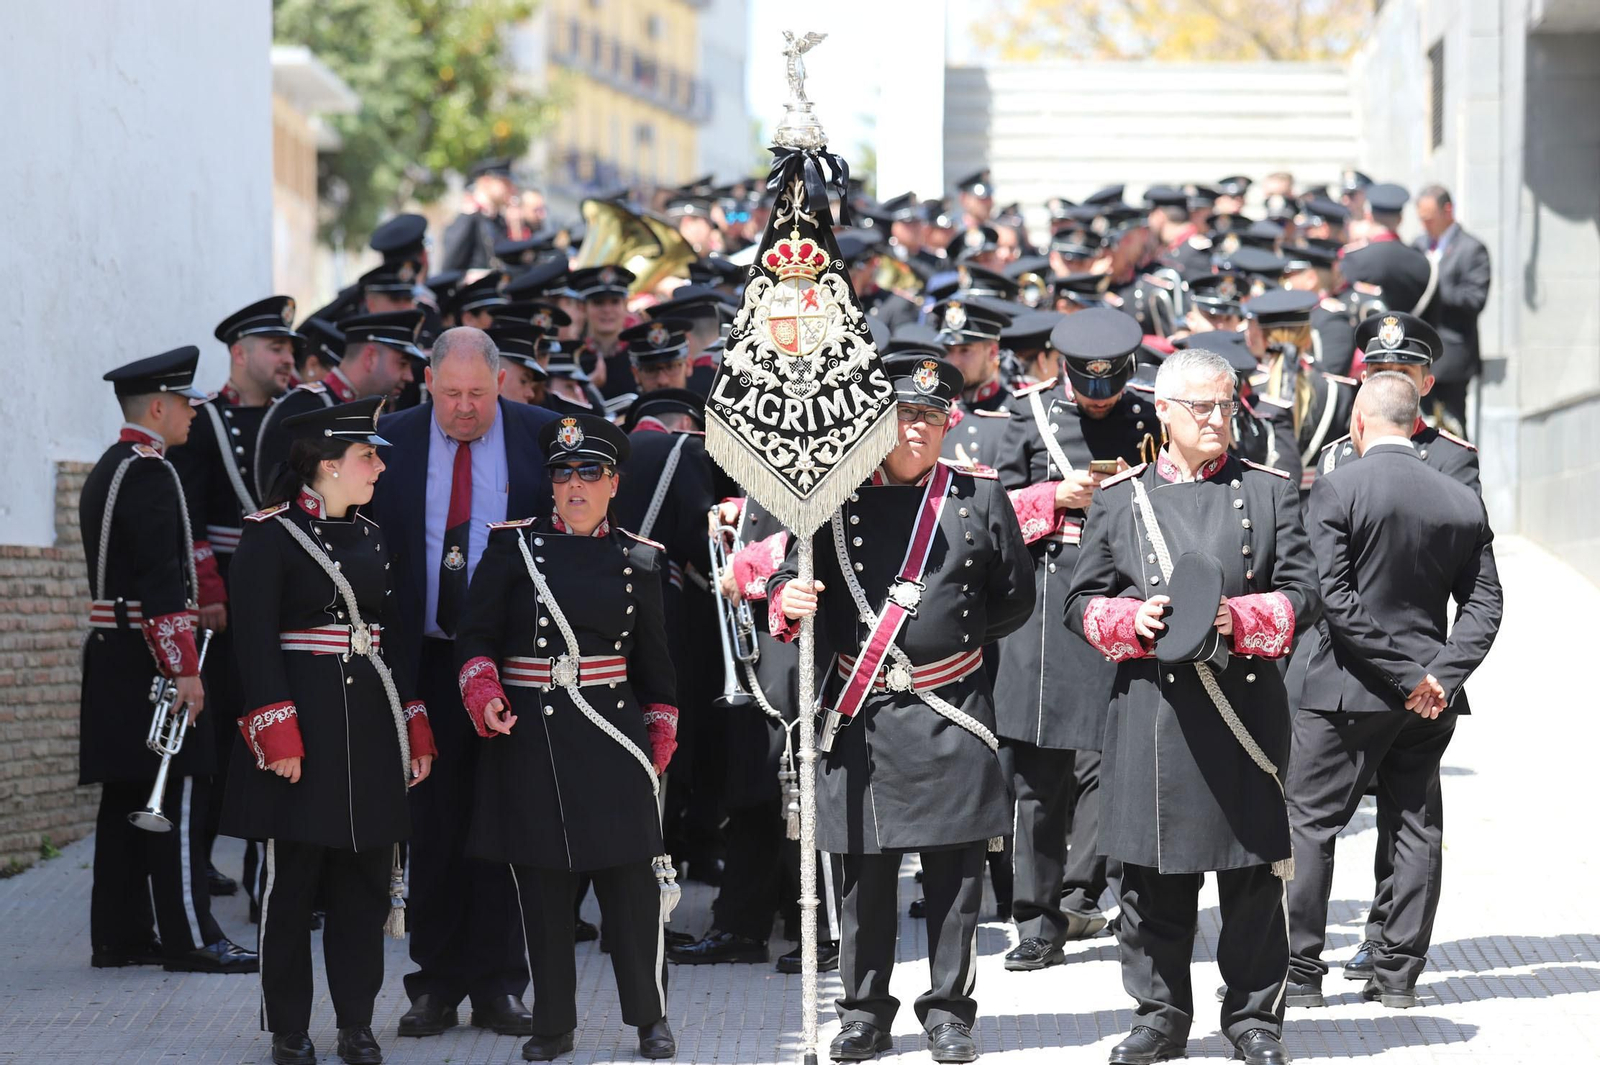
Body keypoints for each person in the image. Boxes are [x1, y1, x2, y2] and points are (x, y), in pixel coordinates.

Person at [772, 353, 1034, 1065]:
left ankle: (949, 1012)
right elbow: (787, 574)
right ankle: (862, 1011)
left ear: (949, 421)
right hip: (863, 716)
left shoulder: (978, 497)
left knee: (955, 879)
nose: (914, 427)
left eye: (928, 415)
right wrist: (785, 600)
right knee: (865, 878)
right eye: (901, 414)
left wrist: (951, 654)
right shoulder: (833, 497)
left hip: (952, 709)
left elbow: (1016, 596)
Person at [1066, 349, 1320, 1065]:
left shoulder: (1268, 492)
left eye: (1226, 405)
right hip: (1154, 711)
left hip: (1241, 708)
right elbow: (1079, 601)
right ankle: (1159, 1014)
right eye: (1201, 407)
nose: (1217, 418)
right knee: (1153, 878)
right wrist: (1130, 622)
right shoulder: (1121, 498)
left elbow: (1306, 594)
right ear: (1166, 412)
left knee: (1250, 876)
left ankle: (1252, 1017)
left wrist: (1240, 619)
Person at [455, 412, 678, 1061]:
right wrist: (483, 690)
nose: (574, 485)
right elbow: (476, 637)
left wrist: (659, 737)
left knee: (631, 890)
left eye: (589, 473)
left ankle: (650, 1017)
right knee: (545, 891)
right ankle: (553, 1023)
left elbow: (658, 668)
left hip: (612, 738)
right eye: (563, 473)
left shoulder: (639, 558)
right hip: (533, 737)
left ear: (614, 482)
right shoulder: (512, 548)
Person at [220, 397, 437, 1065]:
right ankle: (288, 1026)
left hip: (371, 726)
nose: (378, 465)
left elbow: (393, 640)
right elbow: (253, 642)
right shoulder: (269, 534)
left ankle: (355, 1022)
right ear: (324, 466)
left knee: (365, 885)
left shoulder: (372, 536)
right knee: (292, 886)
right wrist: (274, 727)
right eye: (366, 456)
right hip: (303, 730)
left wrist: (413, 721)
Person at [1286, 373, 1502, 1011]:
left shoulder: (1337, 486)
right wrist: (1439, 675)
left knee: (1309, 823)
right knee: (1414, 824)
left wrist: (1410, 677)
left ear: (1357, 423)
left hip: (1346, 692)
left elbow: (1334, 598)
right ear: (1415, 423)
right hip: (1430, 700)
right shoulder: (1458, 494)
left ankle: (1299, 971)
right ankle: (1397, 975)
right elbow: (1486, 601)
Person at [366, 326, 557, 1039]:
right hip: (427, 659)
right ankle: (434, 984)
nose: (466, 408)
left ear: (501, 382)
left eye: (479, 393)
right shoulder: (395, 440)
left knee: (508, 819)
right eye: (452, 394)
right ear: (428, 382)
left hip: (515, 664)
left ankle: (503, 984)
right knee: (435, 822)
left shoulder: (542, 436)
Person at [81, 345, 256, 974]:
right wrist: (185, 670)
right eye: (184, 403)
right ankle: (193, 938)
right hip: (150, 658)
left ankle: (121, 935)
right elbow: (161, 587)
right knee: (180, 790)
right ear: (158, 406)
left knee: (123, 795)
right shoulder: (152, 473)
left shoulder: (112, 465)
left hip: (111, 653)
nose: (192, 413)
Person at [992, 308, 1157, 972]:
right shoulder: (1028, 415)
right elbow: (996, 512)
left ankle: (1091, 893)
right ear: (1064, 371)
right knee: (1039, 773)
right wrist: (1057, 495)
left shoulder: (1147, 419)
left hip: (1125, 592)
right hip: (1052, 598)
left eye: (1109, 387)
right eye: (1087, 388)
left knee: (1118, 763)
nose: (1099, 399)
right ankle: (1037, 917)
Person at [168, 296, 301, 897]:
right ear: (240, 353)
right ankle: (195, 864)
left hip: (278, 596)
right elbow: (187, 516)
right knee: (216, 737)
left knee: (272, 722)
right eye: (276, 348)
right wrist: (210, 590)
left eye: (290, 349)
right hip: (223, 598)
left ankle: (263, 869)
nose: (286, 359)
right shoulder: (203, 421)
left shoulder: (292, 419)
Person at [254, 310, 425, 499]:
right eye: (402, 363)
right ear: (370, 358)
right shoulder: (305, 406)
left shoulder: (373, 411)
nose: (409, 376)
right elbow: (279, 498)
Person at [1316, 312, 1479, 490]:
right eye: (1379, 372)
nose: (1390, 383)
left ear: (1426, 384)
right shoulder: (1336, 458)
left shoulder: (1452, 459)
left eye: (1403, 373)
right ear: (1364, 379)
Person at [1412, 185, 1490, 434]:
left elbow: (1475, 299)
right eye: (1421, 219)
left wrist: (1434, 287)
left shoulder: (1472, 249)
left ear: (1448, 210)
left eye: (1430, 218)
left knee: (1452, 429)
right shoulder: (1418, 245)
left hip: (1452, 358)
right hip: (1419, 356)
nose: (1425, 225)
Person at [930, 298, 1014, 467]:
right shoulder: (933, 411)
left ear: (992, 352)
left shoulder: (1016, 415)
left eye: (965, 350)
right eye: (948, 350)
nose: (954, 361)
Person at [1340, 183, 1434, 318]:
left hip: (1363, 337)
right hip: (1409, 336)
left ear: (1370, 216)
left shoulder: (1351, 258)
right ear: (1401, 219)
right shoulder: (1424, 263)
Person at [572, 266, 641, 398]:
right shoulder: (572, 357)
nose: (607, 310)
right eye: (598, 303)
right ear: (583, 308)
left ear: (625, 305)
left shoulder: (639, 353)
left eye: (615, 302)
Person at [441, 157, 516, 272]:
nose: (511, 189)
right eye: (505, 183)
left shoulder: (498, 220)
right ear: (486, 182)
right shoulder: (468, 218)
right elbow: (449, 268)